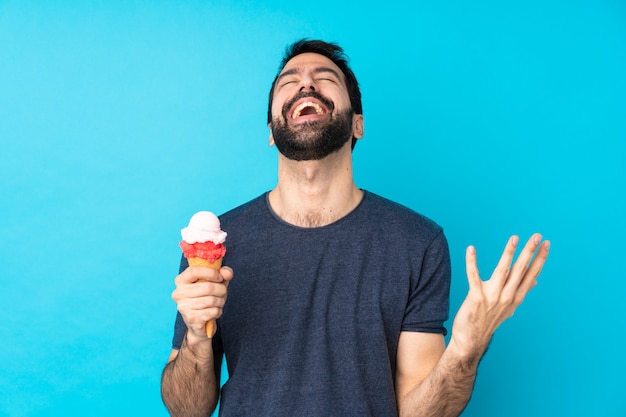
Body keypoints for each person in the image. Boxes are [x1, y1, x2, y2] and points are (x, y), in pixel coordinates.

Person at [161, 39, 550, 417]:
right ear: (271, 130)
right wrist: (196, 336)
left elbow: (420, 412)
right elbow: (187, 410)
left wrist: (465, 350)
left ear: (358, 124)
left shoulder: (418, 243)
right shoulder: (219, 244)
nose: (306, 83)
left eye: (326, 77)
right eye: (288, 81)